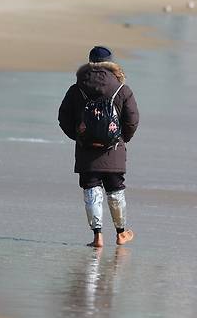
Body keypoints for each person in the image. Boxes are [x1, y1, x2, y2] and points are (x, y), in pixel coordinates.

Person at [58, 46, 139, 248]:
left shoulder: (77, 88)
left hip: (87, 152)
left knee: (91, 191)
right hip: (114, 151)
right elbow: (132, 120)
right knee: (115, 190)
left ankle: (97, 237)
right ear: (111, 64)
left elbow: (63, 117)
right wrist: (121, 139)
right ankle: (121, 233)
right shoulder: (122, 89)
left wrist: (78, 136)